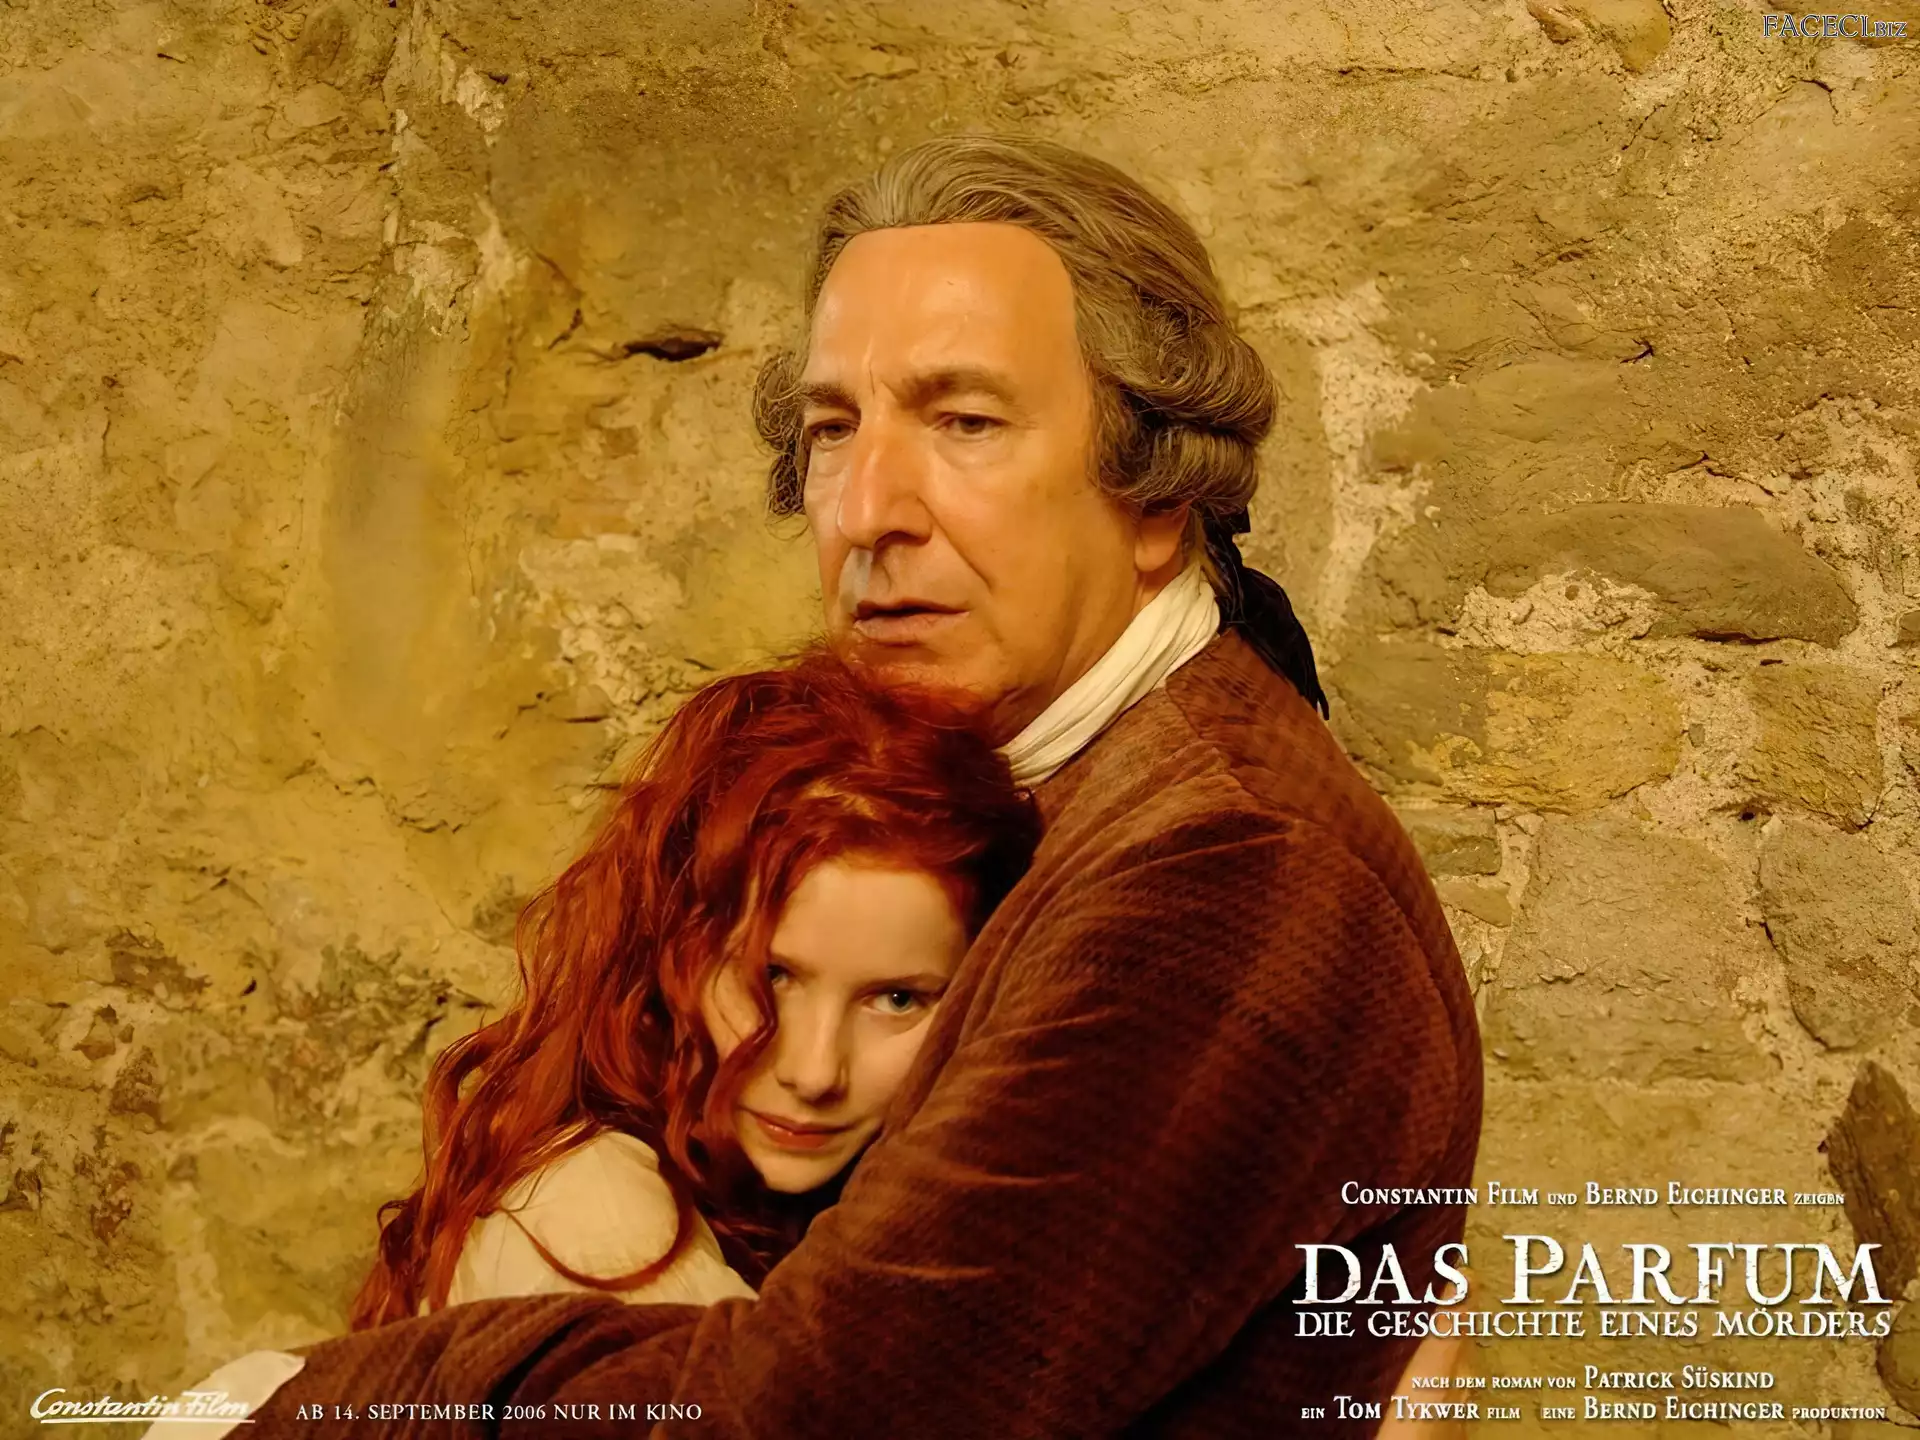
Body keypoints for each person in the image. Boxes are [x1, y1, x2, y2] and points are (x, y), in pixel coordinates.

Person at [234, 132, 1483, 1437]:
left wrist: (290, 1402)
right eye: (833, 430)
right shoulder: (1062, 779)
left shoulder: (1226, 869)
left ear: (1159, 496)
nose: (868, 511)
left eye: (965, 421)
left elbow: (838, 1418)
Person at [349, 653, 1042, 1324]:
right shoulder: (603, 1231)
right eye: (769, 977)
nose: (814, 1073)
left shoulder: (791, 1204)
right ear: (671, 946)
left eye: (897, 1000)